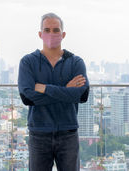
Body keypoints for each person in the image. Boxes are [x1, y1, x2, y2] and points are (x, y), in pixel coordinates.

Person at [18, 12, 89, 171]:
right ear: (40, 34)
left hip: (68, 133)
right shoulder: (28, 62)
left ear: (63, 34)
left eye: (56, 30)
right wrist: (66, 92)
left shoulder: (75, 62)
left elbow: (82, 95)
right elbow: (27, 97)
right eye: (47, 30)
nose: (51, 34)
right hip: (39, 134)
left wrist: (44, 88)